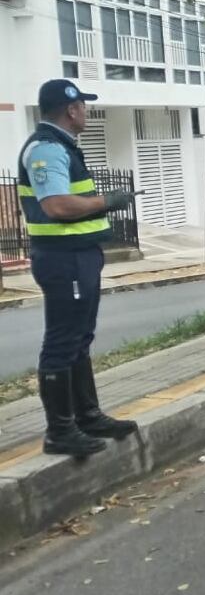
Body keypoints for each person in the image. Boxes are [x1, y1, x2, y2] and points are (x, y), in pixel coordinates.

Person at [18, 79, 138, 458]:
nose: (86, 111)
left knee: (79, 339)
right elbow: (56, 206)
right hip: (63, 258)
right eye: (83, 106)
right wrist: (107, 201)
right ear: (71, 110)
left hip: (79, 255)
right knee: (62, 341)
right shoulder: (47, 150)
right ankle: (60, 431)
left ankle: (86, 416)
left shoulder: (63, 148)